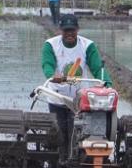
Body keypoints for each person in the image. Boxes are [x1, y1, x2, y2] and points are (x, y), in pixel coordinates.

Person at [41, 14, 111, 155]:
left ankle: (76, 164)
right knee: (60, 133)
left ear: (77, 29)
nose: (69, 34)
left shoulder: (87, 45)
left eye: (72, 30)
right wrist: (52, 75)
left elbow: (97, 68)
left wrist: (107, 84)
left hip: (79, 100)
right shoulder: (51, 45)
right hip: (57, 97)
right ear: (61, 30)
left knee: (77, 132)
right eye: (66, 31)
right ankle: (60, 162)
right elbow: (47, 64)